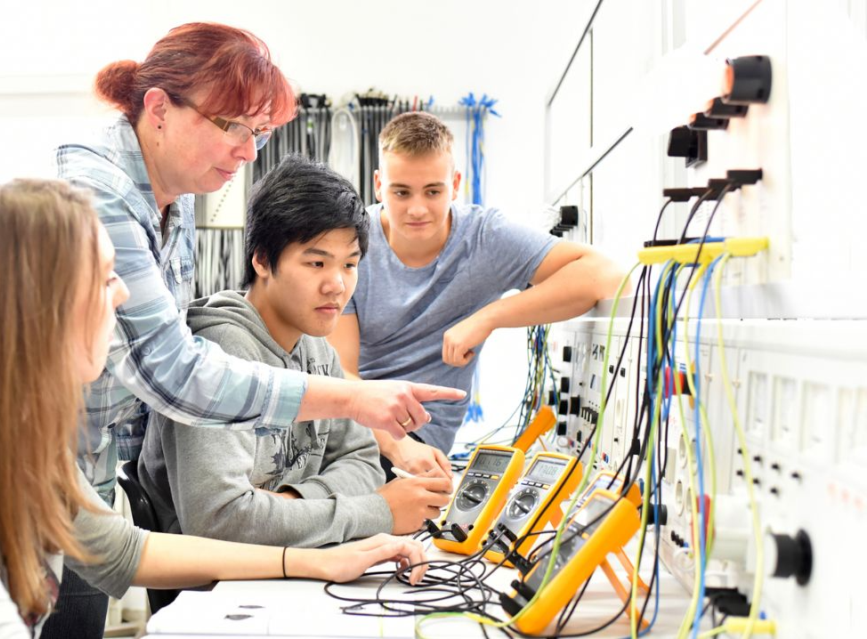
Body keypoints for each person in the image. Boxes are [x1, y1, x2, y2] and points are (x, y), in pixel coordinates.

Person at [0, 180, 429, 639]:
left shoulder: (15, 436)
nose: (124, 293)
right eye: (104, 278)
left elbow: (128, 552)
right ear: (31, 301)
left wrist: (315, 559)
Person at [53, 23, 459, 632]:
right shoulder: (98, 195)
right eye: (233, 128)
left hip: (85, 493)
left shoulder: (176, 196)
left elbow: (351, 465)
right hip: (37, 485)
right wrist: (357, 418)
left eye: (259, 133)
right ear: (159, 109)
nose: (248, 152)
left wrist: (304, 507)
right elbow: (173, 372)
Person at [139, 157, 452, 547]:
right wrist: (378, 512)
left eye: (350, 265)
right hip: (219, 591)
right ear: (262, 260)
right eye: (317, 262)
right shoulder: (218, 353)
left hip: (300, 562)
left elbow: (364, 462)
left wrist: (288, 504)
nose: (337, 285)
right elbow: (220, 521)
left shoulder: (317, 346)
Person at [328, 112, 624, 478]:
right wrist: (394, 444)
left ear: (455, 184)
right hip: (357, 425)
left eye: (433, 191)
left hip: (418, 440)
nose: (417, 208)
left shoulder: (485, 237)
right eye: (401, 192)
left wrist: (489, 317)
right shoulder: (352, 245)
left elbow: (604, 274)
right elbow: (341, 373)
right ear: (378, 185)